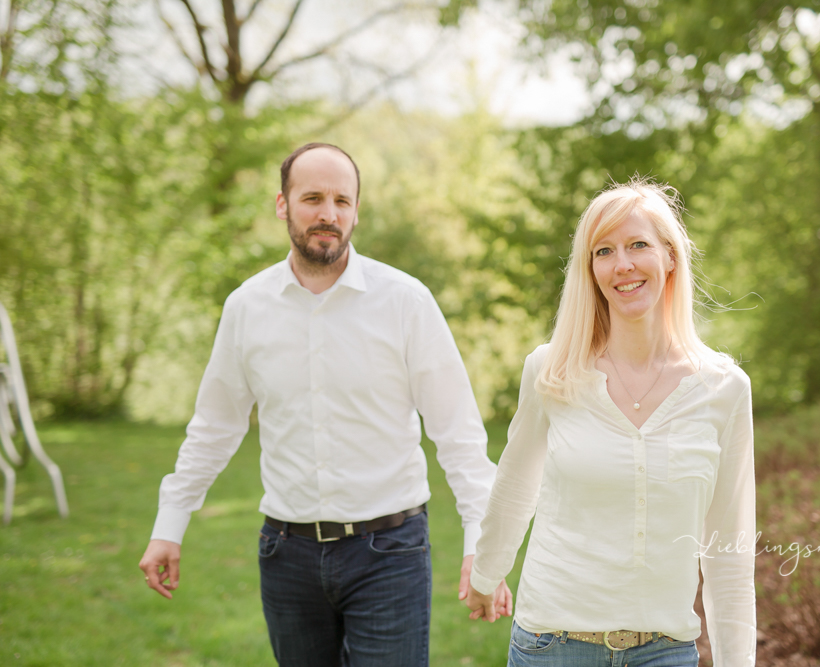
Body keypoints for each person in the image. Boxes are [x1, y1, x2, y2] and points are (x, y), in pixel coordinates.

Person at [139, 142, 512, 667]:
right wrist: (168, 526)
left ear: (357, 210)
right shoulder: (247, 307)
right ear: (282, 204)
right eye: (312, 197)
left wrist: (481, 545)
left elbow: (458, 432)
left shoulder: (405, 302)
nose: (328, 214)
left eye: (342, 200)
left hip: (391, 553)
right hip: (285, 556)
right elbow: (215, 426)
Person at [463, 179, 756, 666]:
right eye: (604, 251)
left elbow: (729, 550)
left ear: (670, 256)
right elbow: (515, 485)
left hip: (665, 650)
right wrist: (485, 576)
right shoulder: (551, 370)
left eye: (638, 244)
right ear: (590, 269)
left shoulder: (723, 389)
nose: (622, 264)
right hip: (552, 646)